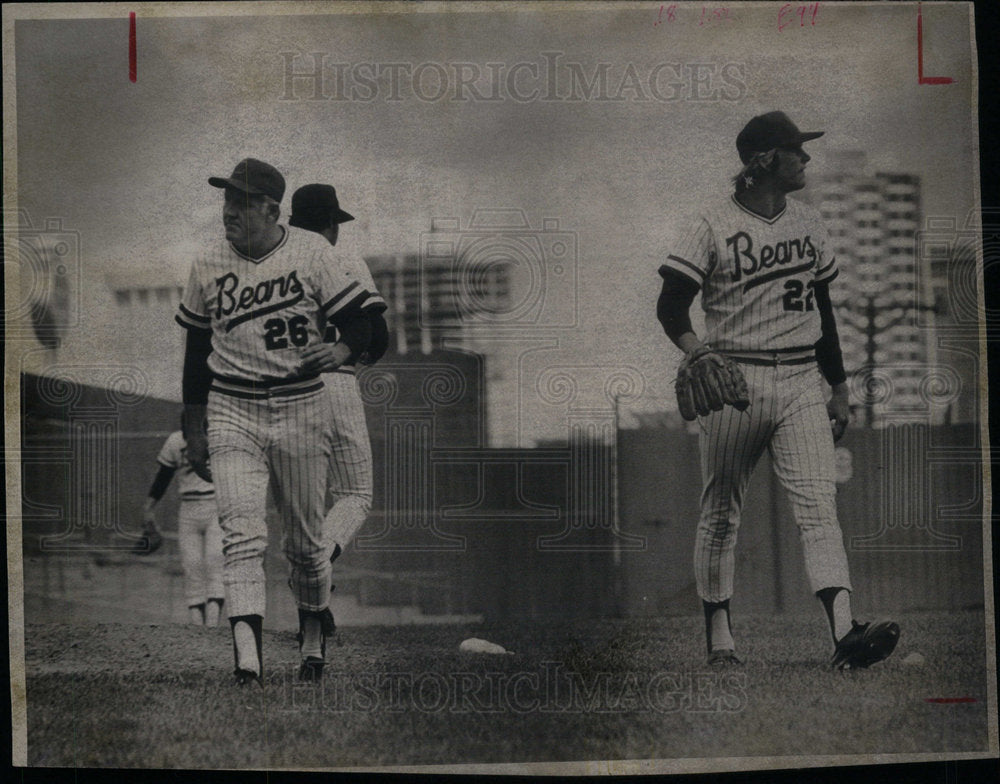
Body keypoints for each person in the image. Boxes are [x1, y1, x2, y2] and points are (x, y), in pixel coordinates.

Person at [656, 112, 900, 669]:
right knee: (721, 512)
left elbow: (825, 312)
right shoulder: (710, 222)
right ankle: (720, 639)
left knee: (819, 507)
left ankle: (845, 634)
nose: (806, 159)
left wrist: (838, 387)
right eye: (797, 150)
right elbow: (671, 304)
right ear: (766, 159)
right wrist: (698, 350)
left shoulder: (810, 223)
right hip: (734, 380)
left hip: (798, 381)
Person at [175, 158, 386, 685]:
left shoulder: (314, 252)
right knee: (242, 534)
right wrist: (194, 422)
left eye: (241, 202)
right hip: (232, 406)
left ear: (272, 210)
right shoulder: (206, 262)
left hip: (301, 403)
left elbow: (364, 325)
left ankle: (312, 631)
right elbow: (196, 346)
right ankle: (248, 662)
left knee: (305, 544)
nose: (229, 211)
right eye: (226, 200)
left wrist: (340, 351)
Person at [288, 184, 388, 569]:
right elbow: (377, 333)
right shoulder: (340, 254)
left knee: (303, 502)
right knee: (354, 495)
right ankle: (318, 567)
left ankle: (312, 606)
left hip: (282, 388)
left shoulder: (274, 259)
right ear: (332, 223)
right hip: (337, 378)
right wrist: (359, 353)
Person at [142, 422, 224, 625]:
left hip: (216, 504)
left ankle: (212, 624)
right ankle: (197, 625)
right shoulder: (176, 440)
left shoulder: (218, 436)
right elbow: (164, 476)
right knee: (191, 564)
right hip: (188, 507)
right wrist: (149, 507)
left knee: (215, 561)